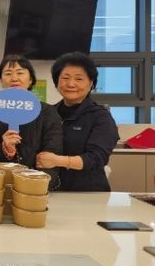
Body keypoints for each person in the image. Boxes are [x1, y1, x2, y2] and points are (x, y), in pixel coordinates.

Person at [36, 52, 119, 191]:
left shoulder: (101, 117)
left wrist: (57, 161)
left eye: (79, 79)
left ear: (91, 83)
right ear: (57, 82)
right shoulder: (48, 113)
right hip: (50, 191)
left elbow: (97, 158)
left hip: (87, 193)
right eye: (65, 78)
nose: (71, 84)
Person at [0, 55, 63, 189]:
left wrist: (37, 185)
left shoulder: (47, 112)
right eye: (8, 73)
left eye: (20, 73)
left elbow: (52, 153)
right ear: (1, 80)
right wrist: (4, 149)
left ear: (30, 80)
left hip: (35, 187)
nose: (14, 78)